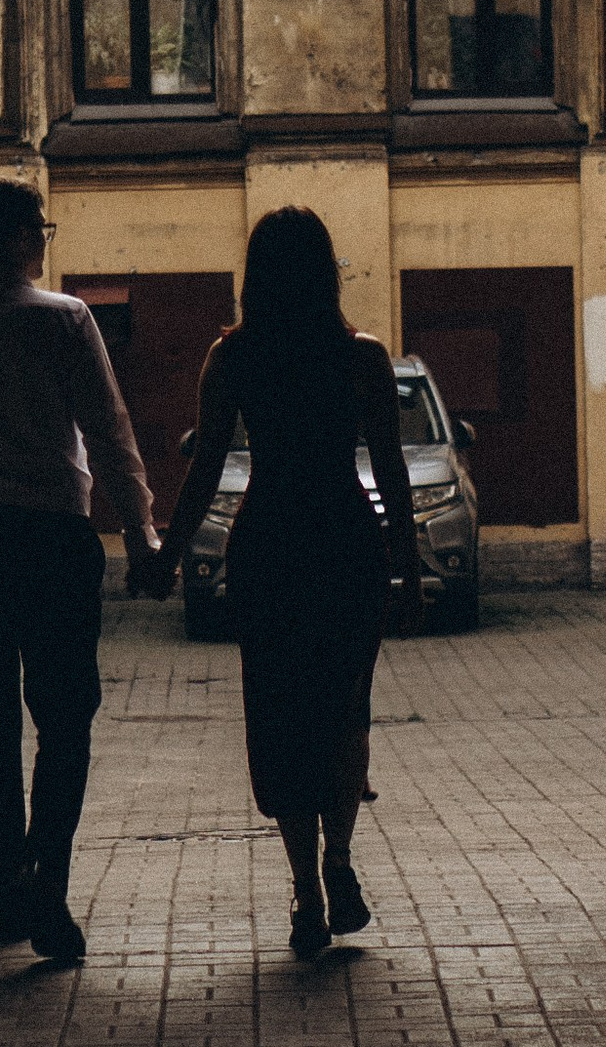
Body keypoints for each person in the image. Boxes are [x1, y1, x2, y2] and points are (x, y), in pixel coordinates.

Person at [143, 206, 420, 959]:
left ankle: (305, 890)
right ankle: (340, 859)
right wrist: (410, 565)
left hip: (267, 546)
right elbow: (390, 471)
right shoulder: (361, 357)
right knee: (345, 710)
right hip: (344, 543)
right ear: (327, 271)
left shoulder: (232, 358)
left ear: (254, 277)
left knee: (282, 718)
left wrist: (168, 557)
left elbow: (203, 470)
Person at [0, 177, 159, 967]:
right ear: (14, 238)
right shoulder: (66, 320)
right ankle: (50, 878)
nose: (45, 236)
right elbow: (108, 433)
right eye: (37, 226)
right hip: (52, 538)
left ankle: (7, 891)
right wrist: (142, 533)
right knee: (65, 716)